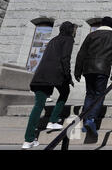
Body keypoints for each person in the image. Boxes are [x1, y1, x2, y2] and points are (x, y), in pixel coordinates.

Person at [22, 21, 76, 149]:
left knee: (38, 106)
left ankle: (28, 140)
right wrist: (68, 76)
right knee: (65, 92)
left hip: (40, 75)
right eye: (74, 30)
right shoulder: (68, 39)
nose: (75, 32)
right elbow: (65, 58)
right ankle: (52, 120)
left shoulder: (53, 40)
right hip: (55, 75)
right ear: (70, 30)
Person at [75, 16, 112, 137]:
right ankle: (91, 120)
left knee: (89, 94)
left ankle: (85, 120)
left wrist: (77, 70)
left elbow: (81, 53)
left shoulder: (91, 35)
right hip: (103, 69)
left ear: (101, 23)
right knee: (99, 95)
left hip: (88, 68)